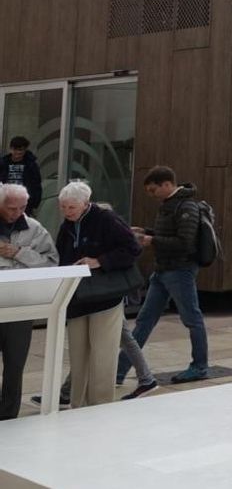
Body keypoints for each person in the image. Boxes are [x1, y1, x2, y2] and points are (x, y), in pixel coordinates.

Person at [56, 181, 141, 407]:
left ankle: (100, 405)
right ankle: (78, 404)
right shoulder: (67, 225)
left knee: (103, 354)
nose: (66, 212)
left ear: (85, 203)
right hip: (77, 297)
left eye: (71, 207)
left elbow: (132, 249)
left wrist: (100, 261)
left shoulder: (106, 219)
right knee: (78, 355)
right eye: (63, 207)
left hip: (105, 297)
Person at [123, 166, 210, 384]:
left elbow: (184, 242)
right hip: (163, 270)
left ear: (167, 184)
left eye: (153, 190)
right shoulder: (170, 204)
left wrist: (152, 240)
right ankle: (119, 370)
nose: (152, 195)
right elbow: (169, 234)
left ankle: (199, 366)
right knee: (144, 320)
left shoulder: (186, 206)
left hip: (180, 270)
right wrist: (146, 232)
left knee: (192, 319)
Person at [0, 182, 57, 418]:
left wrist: (19, 253)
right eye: (12, 208)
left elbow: (52, 263)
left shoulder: (34, 228)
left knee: (15, 366)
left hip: (20, 306)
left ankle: (8, 416)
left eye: (23, 207)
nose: (18, 213)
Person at [3, 138, 42, 217]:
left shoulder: (31, 165)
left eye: (20, 150)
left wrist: (34, 204)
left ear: (25, 150)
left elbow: (36, 184)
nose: (18, 152)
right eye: (15, 149)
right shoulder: (3, 163)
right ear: (11, 149)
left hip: (24, 203)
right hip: (5, 201)